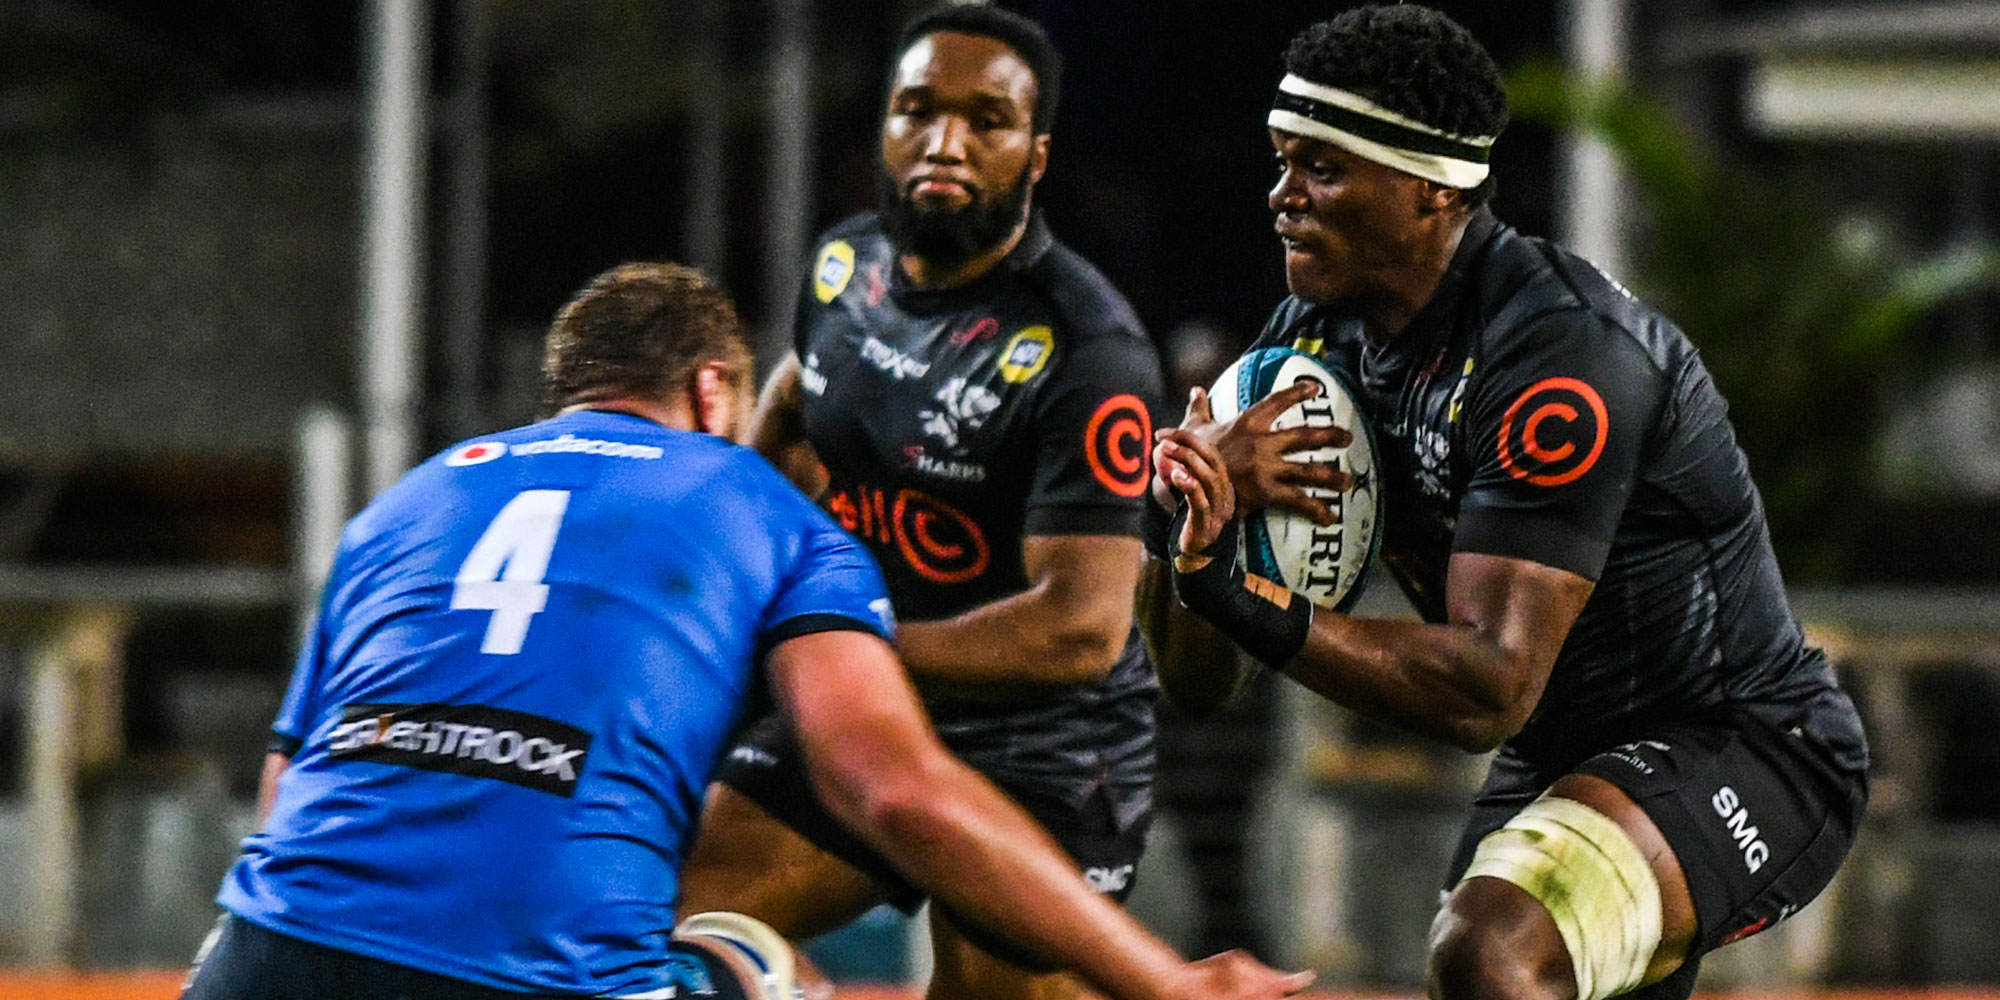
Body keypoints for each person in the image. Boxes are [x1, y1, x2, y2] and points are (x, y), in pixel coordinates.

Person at [180, 262, 1310, 1000]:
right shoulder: (758, 507)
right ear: (716, 391)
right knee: (762, 969)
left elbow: (286, 793)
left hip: (260, 956)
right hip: (533, 976)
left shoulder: (405, 503)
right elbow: (899, 791)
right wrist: (1165, 981)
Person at [1151, 7, 1870, 1000]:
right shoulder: (1307, 343)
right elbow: (1195, 686)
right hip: (1565, 757)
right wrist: (1185, 520)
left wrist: (1241, 597)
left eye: (1322, 168)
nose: (1282, 196)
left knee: (1490, 950)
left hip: (1744, 745)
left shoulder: (1558, 356)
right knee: (1480, 966)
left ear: (1431, 186)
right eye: (1282, 163)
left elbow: (1486, 690)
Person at [677, 7, 1171, 1000]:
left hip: (1045, 750)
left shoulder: (1089, 351)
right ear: (884, 130)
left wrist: (842, 646)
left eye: (986, 120)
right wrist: (722, 558)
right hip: (875, 707)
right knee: (672, 914)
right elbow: (794, 411)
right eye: (918, 110)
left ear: (1034, 157)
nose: (945, 141)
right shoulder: (843, 267)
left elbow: (1079, 630)